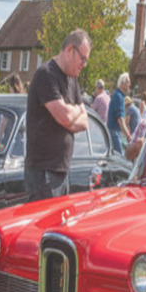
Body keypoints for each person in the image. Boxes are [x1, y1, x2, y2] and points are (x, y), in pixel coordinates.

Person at [24, 29, 90, 201]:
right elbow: (65, 117)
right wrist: (74, 112)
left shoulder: (72, 80)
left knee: (58, 226)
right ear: (70, 50)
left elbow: (84, 121)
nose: (84, 65)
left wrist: (71, 112)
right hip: (43, 173)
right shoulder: (46, 75)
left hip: (61, 171)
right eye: (83, 58)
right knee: (45, 226)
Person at [107, 73, 132, 154]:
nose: (129, 85)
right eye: (127, 82)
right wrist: (128, 135)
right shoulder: (119, 97)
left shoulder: (117, 95)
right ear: (122, 84)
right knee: (120, 159)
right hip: (114, 133)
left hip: (113, 131)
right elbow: (120, 119)